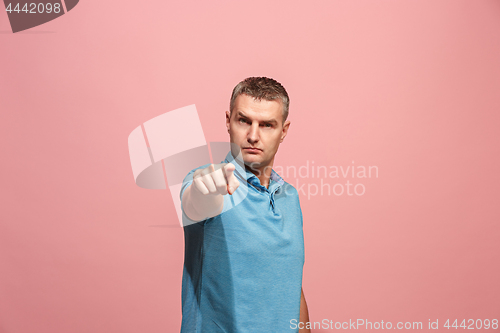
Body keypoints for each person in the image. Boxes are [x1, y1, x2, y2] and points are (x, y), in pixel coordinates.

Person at [179, 77, 310, 332]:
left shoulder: (289, 196)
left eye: (267, 125)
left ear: (283, 131)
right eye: (244, 121)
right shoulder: (210, 182)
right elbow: (194, 201)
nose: (253, 135)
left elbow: (291, 285)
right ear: (228, 122)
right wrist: (204, 188)